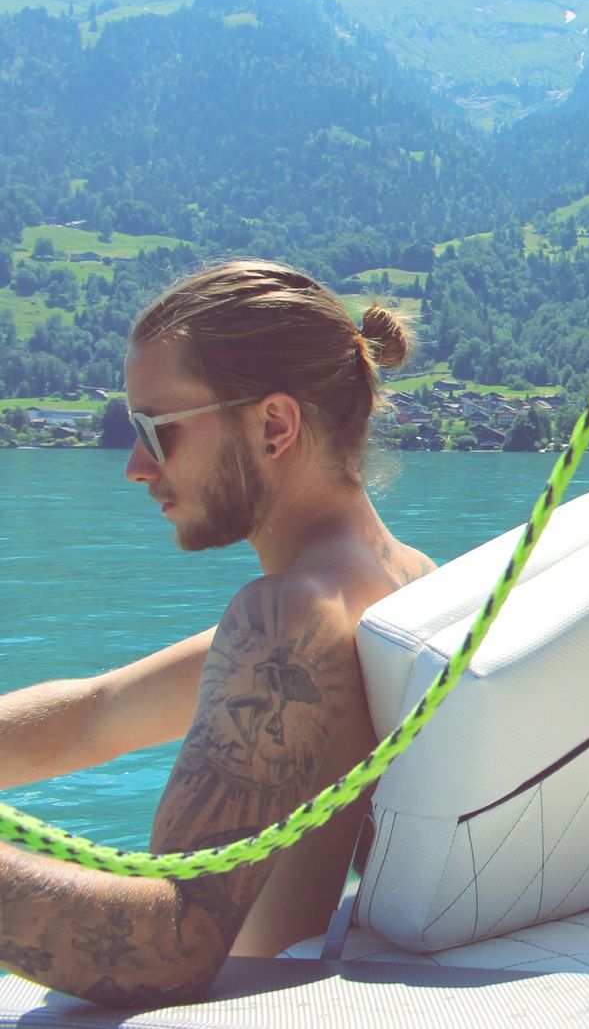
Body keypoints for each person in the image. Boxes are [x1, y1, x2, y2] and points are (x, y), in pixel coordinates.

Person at [0, 260, 434, 1007]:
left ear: (273, 424)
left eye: (155, 431)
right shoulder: (393, 580)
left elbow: (172, 945)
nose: (136, 466)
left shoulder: (289, 616)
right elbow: (95, 713)